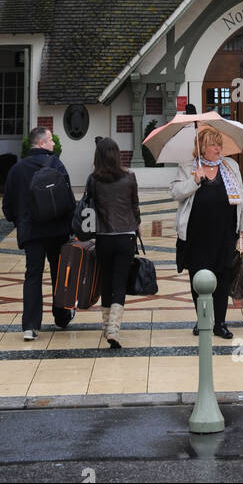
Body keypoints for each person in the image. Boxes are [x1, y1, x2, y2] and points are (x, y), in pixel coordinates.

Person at [171, 124, 243, 340]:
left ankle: (220, 323)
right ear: (202, 147)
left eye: (219, 144)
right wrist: (194, 180)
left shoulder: (230, 165)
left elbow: (240, 198)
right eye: (213, 144)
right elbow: (175, 192)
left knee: (223, 278)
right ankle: (203, 319)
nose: (218, 148)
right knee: (198, 278)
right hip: (197, 236)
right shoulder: (188, 167)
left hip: (224, 234)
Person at [2, 126, 75, 340]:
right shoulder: (57, 164)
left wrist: (21, 221)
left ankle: (30, 326)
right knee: (58, 274)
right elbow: (69, 200)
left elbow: (7, 206)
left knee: (32, 275)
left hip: (31, 232)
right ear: (41, 143)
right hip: (57, 230)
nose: (54, 143)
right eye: (51, 140)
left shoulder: (17, 169)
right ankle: (61, 316)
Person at [76, 137, 140, 348]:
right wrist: (136, 224)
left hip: (104, 237)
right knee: (120, 281)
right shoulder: (130, 177)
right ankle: (114, 328)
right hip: (126, 236)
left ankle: (106, 326)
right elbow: (135, 207)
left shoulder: (93, 180)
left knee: (106, 280)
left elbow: (87, 206)